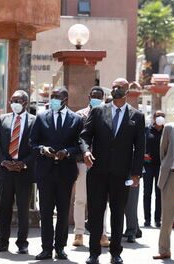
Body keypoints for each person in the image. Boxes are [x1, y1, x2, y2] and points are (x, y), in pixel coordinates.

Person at [81, 78, 145, 264]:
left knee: (118, 213)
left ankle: (116, 252)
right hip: (97, 172)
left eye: (121, 87)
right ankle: (94, 253)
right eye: (115, 86)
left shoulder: (137, 117)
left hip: (121, 174)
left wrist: (136, 173)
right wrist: (85, 151)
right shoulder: (99, 111)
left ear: (127, 92)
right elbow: (85, 136)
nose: (116, 89)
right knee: (95, 213)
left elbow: (139, 148)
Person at [29, 87, 84, 260]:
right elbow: (32, 143)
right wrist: (43, 149)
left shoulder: (76, 119)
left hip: (65, 172)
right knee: (45, 212)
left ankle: (60, 247)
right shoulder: (41, 117)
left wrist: (67, 152)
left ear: (65, 99)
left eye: (56, 97)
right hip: (45, 172)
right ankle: (46, 248)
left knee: (62, 212)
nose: (53, 99)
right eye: (51, 97)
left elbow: (80, 145)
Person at [0, 90, 36, 254]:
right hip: (5, 170)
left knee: (23, 209)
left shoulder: (34, 121)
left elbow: (36, 147)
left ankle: (22, 243)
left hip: (24, 171)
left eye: (18, 100)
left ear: (25, 102)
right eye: (12, 100)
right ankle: (2, 242)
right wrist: (4, 161)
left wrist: (23, 163)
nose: (14, 103)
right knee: (4, 208)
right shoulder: (3, 119)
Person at [72, 86, 109, 248]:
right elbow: (76, 139)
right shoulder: (80, 115)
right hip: (82, 162)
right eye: (93, 95)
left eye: (99, 96)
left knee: (102, 201)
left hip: (102, 164)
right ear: (89, 96)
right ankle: (79, 232)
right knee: (80, 199)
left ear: (103, 97)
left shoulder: (108, 114)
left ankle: (102, 233)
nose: (96, 98)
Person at [152, 109, 174, 260]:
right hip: (171, 175)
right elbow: (163, 152)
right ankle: (164, 250)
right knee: (167, 215)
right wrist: (166, 168)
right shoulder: (169, 128)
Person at [143, 111, 165, 227]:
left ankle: (158, 219)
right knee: (147, 193)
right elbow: (141, 145)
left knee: (159, 193)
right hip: (148, 166)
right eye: (157, 116)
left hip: (161, 167)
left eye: (162, 116)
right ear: (153, 117)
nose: (160, 118)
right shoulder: (146, 130)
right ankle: (147, 219)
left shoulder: (166, 131)